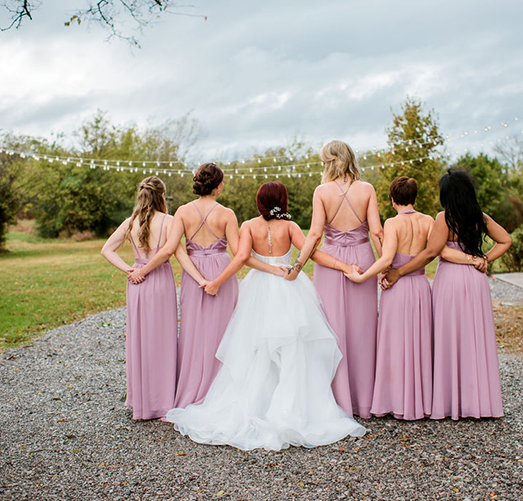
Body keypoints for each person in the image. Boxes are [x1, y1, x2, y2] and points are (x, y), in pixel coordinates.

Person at [166, 182, 366, 451]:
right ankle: (290, 407)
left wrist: (268, 270)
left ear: (259, 202)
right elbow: (314, 253)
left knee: (257, 346)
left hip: (259, 287)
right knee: (293, 347)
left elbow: (243, 257)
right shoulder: (290, 227)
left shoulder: (249, 225)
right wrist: (341, 265)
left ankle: (258, 404)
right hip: (289, 287)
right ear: (283, 201)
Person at [346, 176, 482, 420]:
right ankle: (421, 402)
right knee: (420, 341)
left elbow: (387, 259)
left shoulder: (392, 223)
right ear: (415, 198)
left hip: (397, 289)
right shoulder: (429, 220)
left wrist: (364, 275)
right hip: (420, 286)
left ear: (392, 199)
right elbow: (437, 251)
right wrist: (473, 259)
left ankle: (396, 401)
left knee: (394, 343)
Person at [128, 163, 262, 408]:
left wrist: (195, 277)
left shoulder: (182, 211)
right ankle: (221, 389)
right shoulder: (227, 214)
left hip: (193, 274)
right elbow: (238, 253)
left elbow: (172, 250)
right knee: (225, 332)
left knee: (192, 331)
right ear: (219, 186)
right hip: (221, 272)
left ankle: (190, 389)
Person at [383, 167, 511, 420]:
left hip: (451, 280)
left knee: (449, 337)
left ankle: (450, 401)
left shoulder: (444, 217)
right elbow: (506, 240)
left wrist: (399, 272)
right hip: (475, 281)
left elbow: (433, 252)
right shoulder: (480, 217)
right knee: (475, 336)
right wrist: (482, 258)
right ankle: (478, 402)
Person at [284, 140, 382, 418]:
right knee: (363, 327)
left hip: (331, 262)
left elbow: (314, 235)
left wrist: (297, 266)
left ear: (329, 161)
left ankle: (336, 399)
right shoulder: (367, 189)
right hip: (362, 260)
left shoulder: (322, 191)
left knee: (331, 326)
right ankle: (364, 401)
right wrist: (384, 265)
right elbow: (376, 232)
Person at [100, 176, 184, 420]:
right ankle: (161, 401)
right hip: (157, 281)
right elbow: (169, 251)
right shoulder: (169, 221)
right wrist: (142, 271)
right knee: (162, 339)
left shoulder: (130, 222)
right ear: (162, 195)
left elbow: (106, 249)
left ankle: (141, 400)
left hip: (136, 284)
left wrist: (131, 270)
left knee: (140, 339)